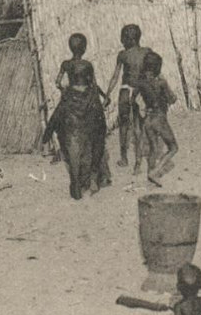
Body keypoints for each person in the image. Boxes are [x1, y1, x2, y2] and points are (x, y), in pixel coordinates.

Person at [42, 61, 113, 199]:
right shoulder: (93, 92)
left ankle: (75, 183)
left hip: (73, 133)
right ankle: (93, 176)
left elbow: (56, 115)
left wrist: (46, 136)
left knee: (71, 151)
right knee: (98, 144)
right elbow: (100, 115)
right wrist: (102, 131)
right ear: (88, 77)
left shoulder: (67, 94)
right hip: (90, 131)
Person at [107, 24, 151, 172]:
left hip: (125, 92)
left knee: (124, 125)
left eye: (123, 38)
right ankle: (138, 163)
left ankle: (124, 158)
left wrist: (107, 94)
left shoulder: (123, 55)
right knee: (139, 127)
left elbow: (115, 77)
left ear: (127, 39)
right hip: (141, 92)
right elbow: (152, 74)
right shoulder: (147, 52)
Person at [139, 51, 179, 184]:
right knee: (173, 147)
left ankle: (150, 175)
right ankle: (155, 172)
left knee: (153, 148)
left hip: (148, 119)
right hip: (159, 118)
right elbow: (172, 99)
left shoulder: (142, 83)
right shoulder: (161, 83)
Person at [55, 31, 107, 102]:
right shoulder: (87, 64)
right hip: (85, 100)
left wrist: (64, 90)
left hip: (71, 99)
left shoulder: (65, 64)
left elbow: (57, 83)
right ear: (84, 48)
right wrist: (104, 96)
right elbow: (94, 85)